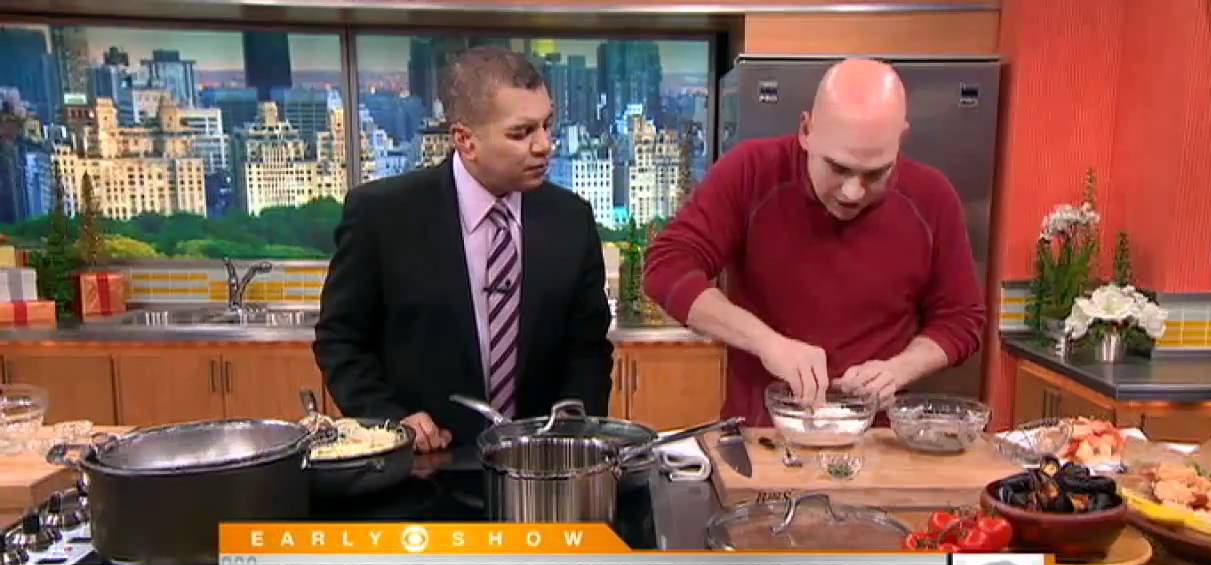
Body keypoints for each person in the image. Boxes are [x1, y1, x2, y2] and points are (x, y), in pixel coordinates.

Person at [643, 57, 984, 427]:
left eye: (875, 173)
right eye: (837, 167)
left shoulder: (932, 198)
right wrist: (767, 342)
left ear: (901, 138)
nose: (853, 192)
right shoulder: (751, 172)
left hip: (877, 440)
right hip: (763, 435)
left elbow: (961, 318)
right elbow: (667, 268)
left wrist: (899, 369)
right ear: (806, 130)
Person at [314, 45, 613, 452]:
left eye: (547, 125)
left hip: (543, 466)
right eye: (521, 133)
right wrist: (390, 421)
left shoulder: (571, 219)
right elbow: (340, 340)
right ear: (465, 140)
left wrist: (573, 439)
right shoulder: (382, 216)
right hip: (423, 464)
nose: (544, 145)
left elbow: (588, 351)